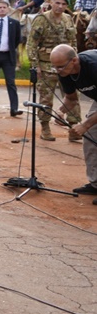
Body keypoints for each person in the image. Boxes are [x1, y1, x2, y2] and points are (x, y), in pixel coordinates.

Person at [28, 0, 81, 142]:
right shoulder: (42, 20)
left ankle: (73, 127)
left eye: (64, 4)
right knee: (46, 98)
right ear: (51, 2)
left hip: (68, 66)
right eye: (57, 3)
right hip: (46, 65)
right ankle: (45, 127)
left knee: (72, 96)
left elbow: (73, 43)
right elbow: (32, 44)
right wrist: (34, 65)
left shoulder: (68, 19)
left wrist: (76, 62)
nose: (60, 7)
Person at [51, 44, 97, 206]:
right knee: (91, 137)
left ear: (74, 61)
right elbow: (71, 99)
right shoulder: (64, 71)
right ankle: (95, 183)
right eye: (54, 67)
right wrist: (61, 110)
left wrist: (85, 125)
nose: (57, 71)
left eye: (60, 67)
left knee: (88, 127)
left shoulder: (93, 65)